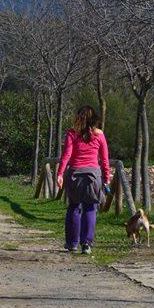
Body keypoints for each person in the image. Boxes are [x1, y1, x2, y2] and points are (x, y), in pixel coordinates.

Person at [56, 105, 110, 254]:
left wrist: (60, 174)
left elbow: (66, 155)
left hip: (74, 175)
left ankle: (72, 243)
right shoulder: (99, 135)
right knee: (90, 208)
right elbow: (104, 160)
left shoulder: (72, 134)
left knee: (74, 207)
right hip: (92, 176)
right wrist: (107, 179)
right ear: (94, 119)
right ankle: (86, 244)